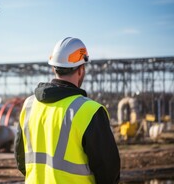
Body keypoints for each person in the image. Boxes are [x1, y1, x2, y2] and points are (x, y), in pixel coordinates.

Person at [14, 37, 120, 184]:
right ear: (81, 70)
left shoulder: (29, 105)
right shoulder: (90, 111)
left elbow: (21, 160)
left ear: (53, 68)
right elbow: (108, 173)